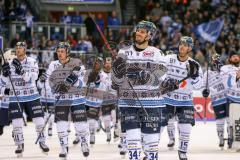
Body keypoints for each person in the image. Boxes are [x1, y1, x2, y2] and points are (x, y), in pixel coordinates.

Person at [111, 20, 169, 160]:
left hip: (152, 103)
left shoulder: (157, 53)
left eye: (142, 32)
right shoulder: (123, 52)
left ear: (149, 36)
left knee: (151, 145)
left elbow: (162, 77)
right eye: (137, 30)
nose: (138, 33)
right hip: (128, 103)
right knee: (133, 140)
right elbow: (115, 77)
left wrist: (146, 77)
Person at [1, 42, 49, 157]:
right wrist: (4, 74)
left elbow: (32, 79)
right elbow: (3, 84)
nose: (18, 50)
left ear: (25, 50)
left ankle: (42, 142)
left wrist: (21, 70)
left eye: (20, 48)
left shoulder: (32, 61)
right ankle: (19, 144)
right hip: (16, 95)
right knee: (16, 122)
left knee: (39, 120)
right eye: (16, 48)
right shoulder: (10, 63)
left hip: (32, 95)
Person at [43, 41, 89, 159]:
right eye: (58, 51)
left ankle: (84, 143)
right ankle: (64, 147)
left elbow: (83, 83)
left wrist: (74, 80)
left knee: (80, 125)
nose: (59, 54)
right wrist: (55, 88)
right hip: (61, 99)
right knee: (61, 125)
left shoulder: (77, 63)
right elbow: (47, 82)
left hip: (76, 98)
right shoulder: (53, 64)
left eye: (62, 51)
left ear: (68, 52)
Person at [164, 36, 203, 160]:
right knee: (158, 125)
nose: (182, 46)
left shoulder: (195, 64)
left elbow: (198, 86)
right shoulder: (168, 59)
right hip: (167, 99)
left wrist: (195, 76)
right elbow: (158, 75)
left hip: (185, 101)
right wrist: (165, 82)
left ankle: (182, 151)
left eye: (185, 45)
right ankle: (150, 152)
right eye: (181, 43)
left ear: (190, 48)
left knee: (186, 127)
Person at [201, 53, 231, 150]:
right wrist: (205, 92)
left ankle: (231, 138)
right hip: (217, 100)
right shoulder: (207, 73)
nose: (215, 62)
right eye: (213, 60)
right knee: (220, 121)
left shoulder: (224, 69)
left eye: (217, 60)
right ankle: (221, 138)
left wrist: (221, 68)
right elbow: (203, 87)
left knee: (230, 120)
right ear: (210, 61)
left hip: (227, 98)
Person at [220, 51, 240, 149]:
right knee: (235, 122)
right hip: (233, 99)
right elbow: (226, 84)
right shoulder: (225, 68)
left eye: (237, 56)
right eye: (233, 56)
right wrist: (236, 76)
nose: (236, 58)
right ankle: (235, 142)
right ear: (229, 59)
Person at [100, 57, 119, 142]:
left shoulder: (115, 74)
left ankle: (116, 131)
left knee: (115, 116)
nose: (108, 65)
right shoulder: (99, 74)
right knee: (106, 119)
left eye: (109, 63)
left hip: (114, 98)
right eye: (106, 63)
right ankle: (108, 132)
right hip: (104, 99)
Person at [37, 69, 55, 136]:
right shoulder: (42, 77)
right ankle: (43, 127)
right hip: (43, 98)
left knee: (51, 115)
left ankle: (50, 127)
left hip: (51, 98)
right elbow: (39, 86)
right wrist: (41, 81)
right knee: (43, 114)